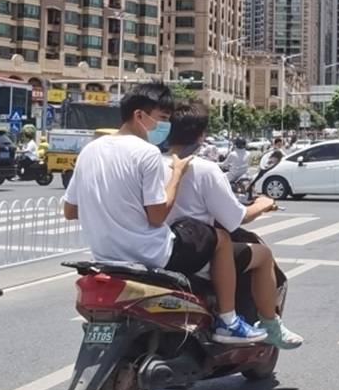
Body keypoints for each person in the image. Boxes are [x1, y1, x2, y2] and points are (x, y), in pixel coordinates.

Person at [62, 83, 265, 345]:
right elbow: (157, 216)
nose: (165, 127)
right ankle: (228, 321)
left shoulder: (90, 149)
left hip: (104, 255)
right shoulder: (145, 152)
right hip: (152, 253)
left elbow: (70, 210)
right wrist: (177, 175)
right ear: (139, 116)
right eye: (163, 119)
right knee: (221, 240)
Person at [163, 105, 302, 349]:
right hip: (193, 252)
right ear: (201, 136)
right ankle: (269, 325)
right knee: (263, 255)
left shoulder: (150, 163)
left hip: (151, 248)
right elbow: (237, 219)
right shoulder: (204, 169)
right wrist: (263, 203)